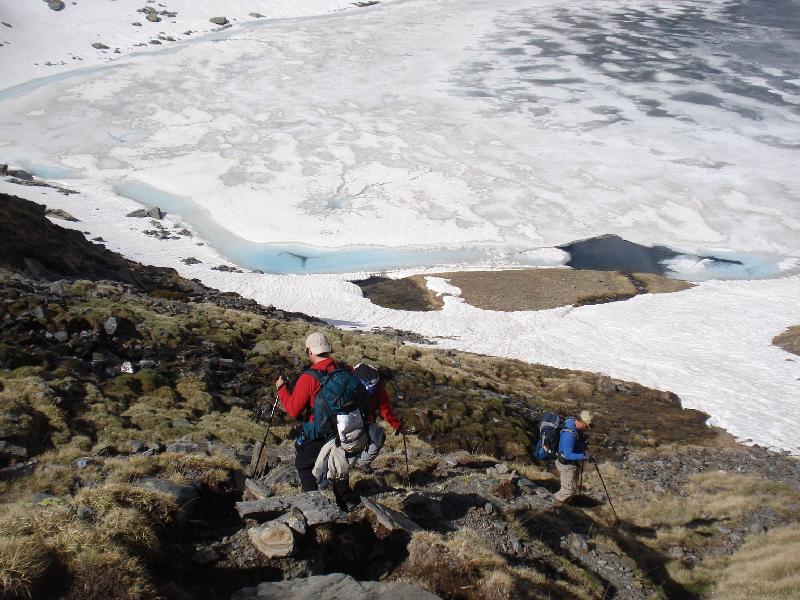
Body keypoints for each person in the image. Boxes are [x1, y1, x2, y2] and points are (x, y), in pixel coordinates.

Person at [275, 331, 360, 510]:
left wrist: (281, 389)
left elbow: (294, 410)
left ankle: (314, 507)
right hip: (343, 429)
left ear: (310, 352)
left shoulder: (308, 378)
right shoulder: (345, 370)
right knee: (337, 464)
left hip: (317, 432)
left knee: (304, 466)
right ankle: (347, 502)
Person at [352, 363, 403, 474]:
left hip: (345, 418)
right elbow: (386, 411)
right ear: (384, 379)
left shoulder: (357, 379)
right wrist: (398, 426)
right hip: (365, 420)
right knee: (378, 436)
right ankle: (362, 463)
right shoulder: (379, 389)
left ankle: (349, 461)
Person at [554, 410, 593, 505]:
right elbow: (567, 455)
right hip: (566, 465)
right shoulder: (569, 434)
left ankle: (563, 504)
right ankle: (551, 504)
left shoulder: (573, 424)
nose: (587, 428)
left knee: (572, 487)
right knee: (567, 491)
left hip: (571, 463)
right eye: (587, 426)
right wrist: (584, 456)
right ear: (582, 422)